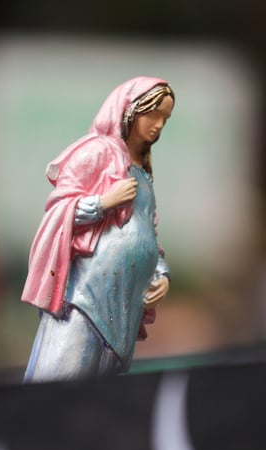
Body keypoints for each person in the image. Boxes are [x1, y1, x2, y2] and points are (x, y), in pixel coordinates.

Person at [21, 76, 174, 381]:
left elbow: (147, 233)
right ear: (131, 110)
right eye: (153, 114)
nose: (158, 125)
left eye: (165, 119)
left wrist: (161, 274)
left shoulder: (143, 173)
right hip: (86, 297)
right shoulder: (97, 151)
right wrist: (103, 202)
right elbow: (59, 209)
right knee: (63, 377)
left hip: (123, 303)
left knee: (98, 391)